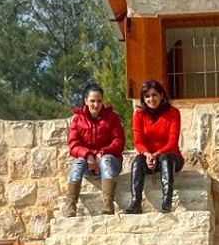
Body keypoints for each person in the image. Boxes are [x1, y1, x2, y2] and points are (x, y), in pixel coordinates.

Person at [64, 83, 125, 216]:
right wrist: (88, 155)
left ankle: (108, 204)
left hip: (110, 163)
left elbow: (119, 142)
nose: (96, 105)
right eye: (92, 101)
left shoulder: (113, 118)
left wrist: (102, 153)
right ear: (86, 101)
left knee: (106, 160)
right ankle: (70, 205)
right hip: (88, 165)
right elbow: (73, 145)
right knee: (78, 162)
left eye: (99, 101)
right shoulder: (77, 119)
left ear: (103, 101)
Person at [126, 79, 184, 214]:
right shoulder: (139, 115)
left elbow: (172, 142)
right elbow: (138, 142)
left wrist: (156, 154)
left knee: (165, 158)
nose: (151, 99)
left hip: (171, 157)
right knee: (137, 162)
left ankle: (167, 201)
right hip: (149, 157)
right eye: (147, 96)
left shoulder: (173, 113)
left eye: (154, 95)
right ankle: (135, 202)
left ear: (161, 95)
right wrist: (147, 155)